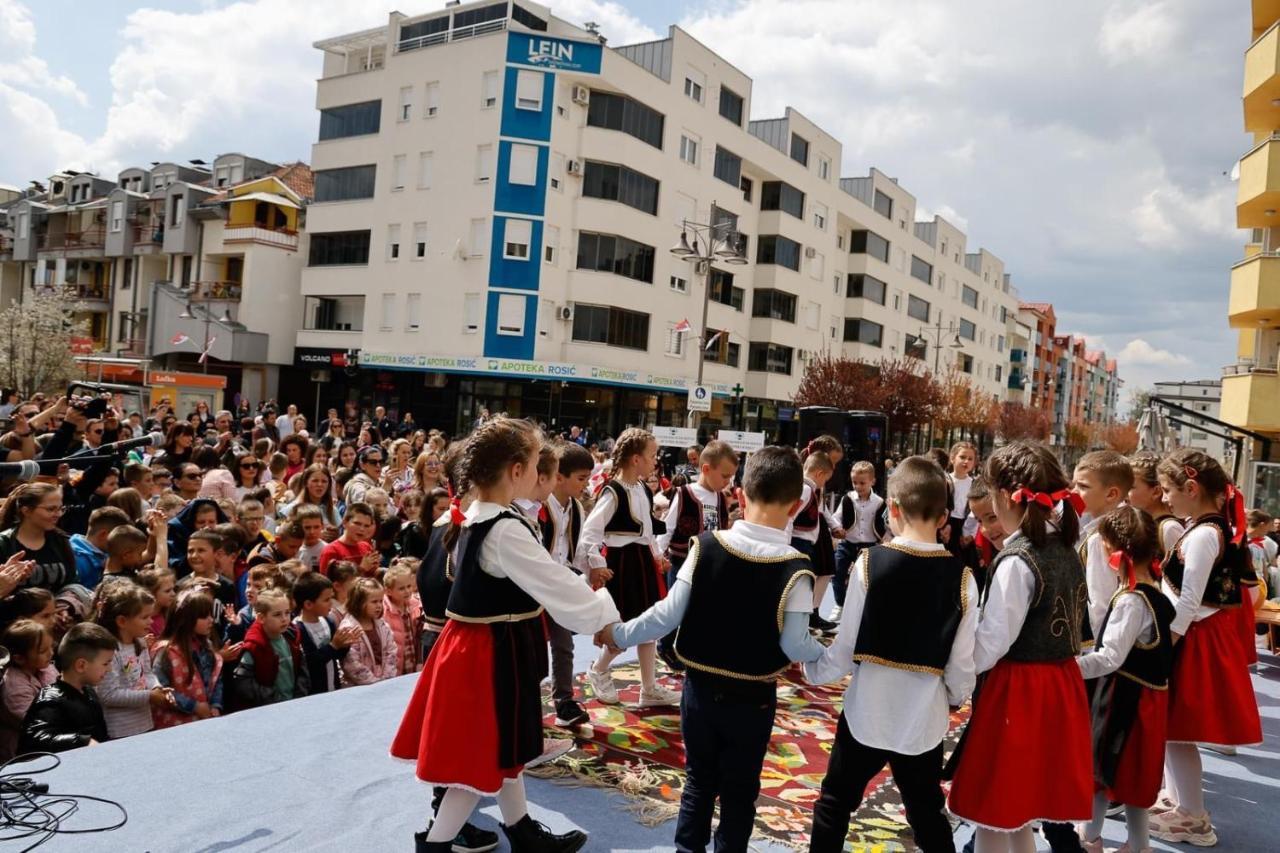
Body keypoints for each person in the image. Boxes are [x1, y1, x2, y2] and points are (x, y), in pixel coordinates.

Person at [391, 417, 619, 853]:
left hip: (483, 646)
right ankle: (436, 845)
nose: (538, 475)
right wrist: (605, 617)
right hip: (488, 654)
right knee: (481, 760)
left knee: (508, 745)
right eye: (535, 465)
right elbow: (554, 581)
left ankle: (521, 829)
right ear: (516, 470)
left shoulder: (480, 513)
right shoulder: (506, 528)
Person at [596, 446, 827, 851]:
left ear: (740, 495)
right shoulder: (796, 569)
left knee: (698, 783)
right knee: (739, 792)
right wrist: (825, 655)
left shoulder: (705, 546)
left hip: (700, 689)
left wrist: (618, 633)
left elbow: (666, 615)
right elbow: (794, 644)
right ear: (795, 507)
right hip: (753, 698)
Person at [805, 455, 978, 852]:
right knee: (927, 812)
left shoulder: (870, 563)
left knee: (834, 805)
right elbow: (961, 665)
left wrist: (811, 670)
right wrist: (951, 697)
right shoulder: (963, 578)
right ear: (943, 517)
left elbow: (845, 648)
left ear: (893, 509)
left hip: (868, 710)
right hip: (923, 717)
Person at [946, 441, 1093, 853]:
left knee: (995, 809)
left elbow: (990, 645)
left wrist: (952, 676)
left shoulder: (1017, 560)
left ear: (1005, 497)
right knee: (1020, 808)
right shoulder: (1066, 548)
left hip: (1020, 691)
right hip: (1059, 685)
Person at [1148, 449, 1263, 846]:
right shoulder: (1210, 529)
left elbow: (1189, 602)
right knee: (1173, 732)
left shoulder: (1201, 536)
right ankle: (1180, 800)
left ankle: (1192, 815)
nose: (1164, 498)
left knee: (1178, 732)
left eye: (1167, 490)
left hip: (1191, 641)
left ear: (1191, 488)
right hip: (1194, 637)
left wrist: (1165, 647)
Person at [1075, 507, 1174, 853]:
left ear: (1111, 550)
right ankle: (1137, 843)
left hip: (1124, 701)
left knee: (1104, 772)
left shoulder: (1131, 601)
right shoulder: (1155, 594)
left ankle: (1090, 838)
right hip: (1145, 700)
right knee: (1129, 778)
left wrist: (1068, 667)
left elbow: (1110, 658)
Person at [581, 427, 679, 708]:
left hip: (641, 563)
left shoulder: (641, 489)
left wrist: (657, 555)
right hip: (620, 564)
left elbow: (646, 532)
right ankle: (599, 669)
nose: (655, 460)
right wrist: (597, 564)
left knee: (647, 624)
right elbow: (591, 532)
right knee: (622, 625)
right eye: (652, 455)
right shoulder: (613, 492)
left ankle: (649, 688)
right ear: (635, 459)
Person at [654, 440, 737, 669]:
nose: (728, 482)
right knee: (676, 605)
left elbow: (722, 529)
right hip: (681, 560)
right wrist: (659, 554)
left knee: (700, 606)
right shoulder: (684, 493)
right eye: (725, 476)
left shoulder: (721, 498)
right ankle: (666, 645)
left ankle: (689, 646)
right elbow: (668, 527)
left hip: (707, 563)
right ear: (706, 469)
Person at [537, 442, 593, 727]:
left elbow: (578, 550)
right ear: (559, 476)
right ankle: (529, 702)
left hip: (559, 584)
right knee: (534, 648)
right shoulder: (540, 507)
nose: (586, 485)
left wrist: (590, 572)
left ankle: (564, 701)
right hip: (533, 586)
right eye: (581, 479)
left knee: (563, 643)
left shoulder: (577, 509)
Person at [19, 622, 116, 753]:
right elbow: (35, 738)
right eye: (106, 663)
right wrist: (81, 741)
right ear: (81, 665)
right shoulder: (52, 700)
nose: (110, 669)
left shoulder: (89, 692)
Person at [94, 582, 172, 739]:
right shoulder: (110, 650)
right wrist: (149, 696)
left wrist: (157, 688)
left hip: (145, 724)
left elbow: (147, 674)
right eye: (144, 617)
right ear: (122, 621)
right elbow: (108, 694)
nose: (151, 622)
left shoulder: (140, 642)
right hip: (121, 732)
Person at [1073, 450, 1134, 637]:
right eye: (1074, 484)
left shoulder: (1101, 538)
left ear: (1111, 494)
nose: (1073, 491)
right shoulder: (1129, 522)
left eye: (1083, 486)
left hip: (1100, 640)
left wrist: (1099, 652)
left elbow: (1100, 604)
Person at [787, 451, 843, 633]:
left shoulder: (809, 489)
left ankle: (804, 621)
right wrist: (785, 544)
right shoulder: (804, 489)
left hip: (804, 543)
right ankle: (798, 625)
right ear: (819, 473)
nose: (824, 483)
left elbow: (822, 509)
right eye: (825, 478)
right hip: (799, 543)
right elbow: (790, 517)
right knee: (801, 585)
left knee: (806, 583)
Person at [152, 589, 225, 727]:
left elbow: (216, 681)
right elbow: (161, 689)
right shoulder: (166, 652)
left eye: (211, 615)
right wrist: (195, 706)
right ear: (186, 619)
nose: (211, 620)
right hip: (176, 726)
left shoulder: (207, 647)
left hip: (206, 722)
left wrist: (215, 705)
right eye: (204, 616)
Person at [228, 588, 308, 710]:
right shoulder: (254, 646)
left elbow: (302, 671)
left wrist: (299, 695)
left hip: (295, 704)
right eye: (277, 614)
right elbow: (243, 682)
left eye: (287, 613)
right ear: (261, 618)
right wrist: (274, 700)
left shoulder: (292, 637)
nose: (284, 619)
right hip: (270, 709)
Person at [831, 460, 887, 623]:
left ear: (872, 481)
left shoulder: (879, 503)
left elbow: (885, 524)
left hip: (869, 546)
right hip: (847, 543)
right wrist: (837, 528)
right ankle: (840, 604)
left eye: (862, 483)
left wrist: (885, 539)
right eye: (855, 482)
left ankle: (862, 610)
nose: (858, 486)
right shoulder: (847, 499)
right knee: (837, 572)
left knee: (864, 578)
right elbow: (836, 517)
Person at [0, 482, 76, 591]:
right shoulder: (4, 543)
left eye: (60, 509)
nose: (58, 514)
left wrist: (67, 602)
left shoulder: (60, 540)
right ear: (26, 511)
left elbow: (72, 581)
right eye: (50, 509)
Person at [294, 571, 359, 695]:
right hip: (313, 693)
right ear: (308, 604)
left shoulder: (328, 621)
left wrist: (344, 645)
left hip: (333, 688)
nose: (331, 603)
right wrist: (333, 646)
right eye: (326, 600)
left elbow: (336, 655)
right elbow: (310, 662)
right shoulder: (298, 629)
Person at [0, 619, 58, 758]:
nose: (50, 653)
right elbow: (33, 720)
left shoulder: (46, 668)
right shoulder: (14, 685)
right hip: (25, 750)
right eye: (43, 651)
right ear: (19, 658)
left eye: (51, 647)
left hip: (50, 738)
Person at [339, 577, 398, 686]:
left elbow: (392, 652)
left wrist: (388, 679)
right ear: (359, 603)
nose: (379, 605)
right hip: (360, 687)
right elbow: (352, 663)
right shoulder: (349, 628)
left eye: (381, 601)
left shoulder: (383, 626)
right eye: (374, 602)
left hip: (385, 682)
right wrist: (374, 683)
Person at [1127, 451, 1184, 561]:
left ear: (1156, 492)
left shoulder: (1170, 529)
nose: (1125, 493)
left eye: (1131, 487)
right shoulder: (1144, 524)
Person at [70, 506, 131, 589]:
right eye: (121, 537)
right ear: (103, 535)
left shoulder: (104, 552)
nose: (123, 542)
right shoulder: (77, 560)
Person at [383, 561, 422, 676]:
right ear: (388, 591)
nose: (407, 591)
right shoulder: (385, 611)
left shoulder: (416, 605)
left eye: (409, 586)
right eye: (401, 588)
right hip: (396, 665)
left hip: (412, 659)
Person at [320, 502, 380, 577]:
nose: (362, 529)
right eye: (357, 523)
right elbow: (328, 586)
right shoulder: (331, 551)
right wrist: (361, 569)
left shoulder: (366, 547)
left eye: (366, 526)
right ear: (345, 522)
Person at [945, 441, 978, 557]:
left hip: (965, 525)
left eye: (970, 459)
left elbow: (975, 511)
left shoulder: (974, 484)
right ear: (952, 458)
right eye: (962, 457)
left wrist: (969, 533)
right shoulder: (945, 480)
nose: (966, 461)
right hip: (945, 524)